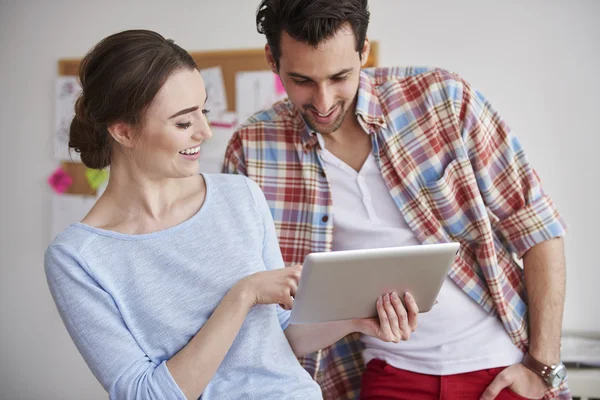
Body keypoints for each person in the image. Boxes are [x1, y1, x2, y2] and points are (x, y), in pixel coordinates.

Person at [222, 1, 570, 399]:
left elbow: (538, 229)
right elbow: (252, 308)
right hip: (385, 373)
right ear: (272, 59)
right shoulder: (253, 148)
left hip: (502, 367)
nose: (323, 101)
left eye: (340, 77)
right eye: (301, 80)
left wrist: (543, 367)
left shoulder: (442, 101)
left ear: (363, 51)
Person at [44, 29, 417, 400]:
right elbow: (145, 394)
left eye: (203, 112)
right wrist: (243, 295)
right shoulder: (79, 257)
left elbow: (281, 333)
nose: (204, 132)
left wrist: (354, 320)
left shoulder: (238, 196)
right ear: (124, 131)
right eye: (184, 122)